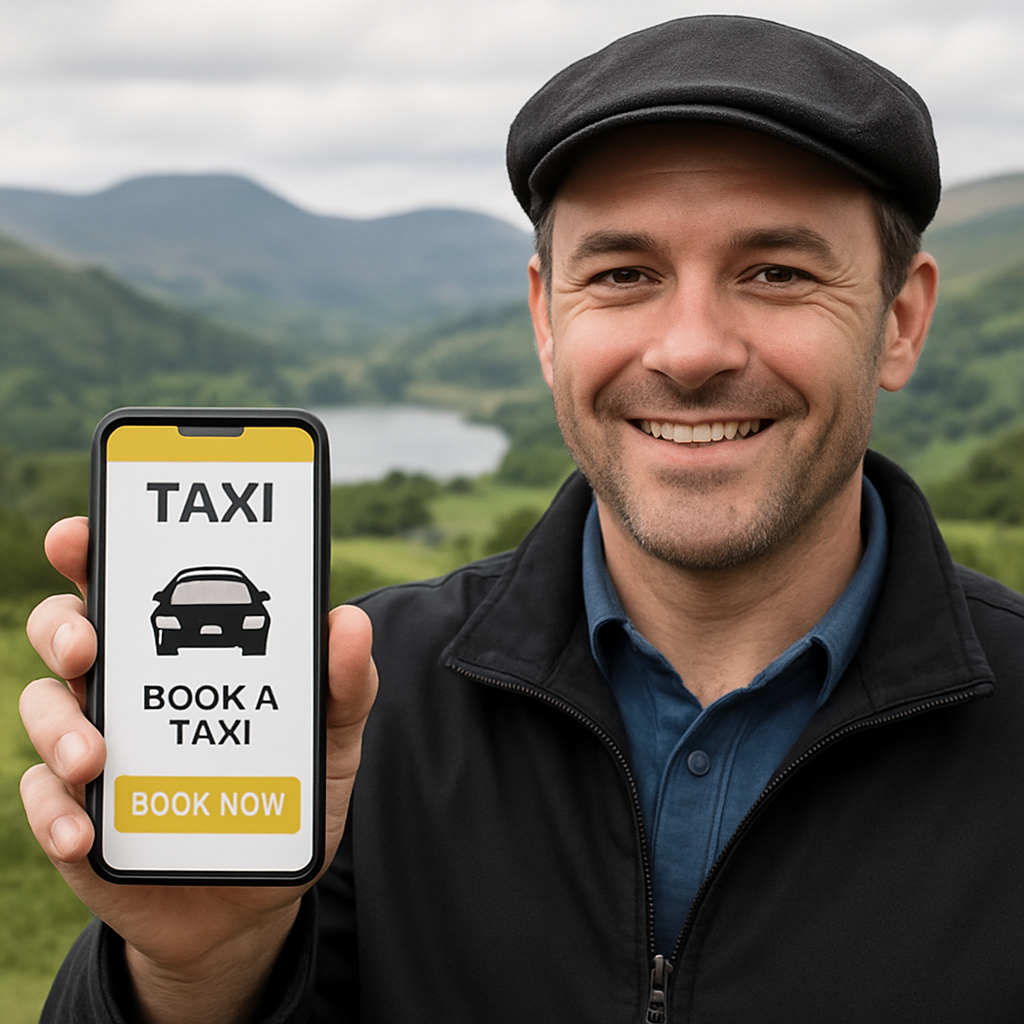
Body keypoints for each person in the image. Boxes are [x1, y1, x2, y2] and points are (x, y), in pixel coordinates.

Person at [19, 14, 1024, 1023]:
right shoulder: (343, 708)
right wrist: (197, 972)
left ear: (899, 320)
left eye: (777, 271)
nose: (690, 350)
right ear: (547, 319)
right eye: (624, 273)